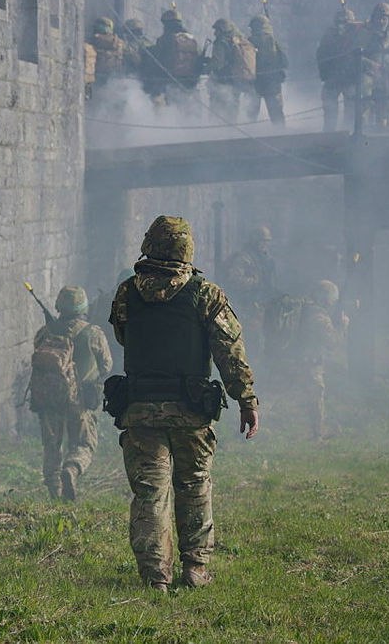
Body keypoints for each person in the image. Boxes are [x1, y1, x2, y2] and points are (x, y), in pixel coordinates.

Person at [108, 216, 260, 591]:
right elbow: (229, 351)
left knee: (149, 493)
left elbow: (124, 337)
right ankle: (194, 569)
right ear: (186, 249)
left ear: (149, 245)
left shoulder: (127, 292)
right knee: (193, 485)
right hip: (191, 410)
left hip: (141, 408)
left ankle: (155, 576)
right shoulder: (205, 293)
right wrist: (246, 398)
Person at [28, 287, 113, 501]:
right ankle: (72, 469)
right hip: (80, 401)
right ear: (83, 307)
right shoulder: (93, 333)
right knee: (84, 443)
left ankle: (55, 494)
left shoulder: (45, 333)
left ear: (59, 306)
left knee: (51, 446)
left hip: (49, 399)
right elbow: (107, 366)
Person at [265, 281, 346, 440]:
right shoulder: (320, 316)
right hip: (307, 365)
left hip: (286, 360)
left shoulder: (302, 308)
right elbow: (333, 343)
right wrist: (343, 326)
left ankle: (248, 426)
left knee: (270, 395)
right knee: (316, 398)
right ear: (326, 299)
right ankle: (318, 434)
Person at [221, 225, 279, 351]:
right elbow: (234, 280)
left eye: (267, 241)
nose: (265, 245)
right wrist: (257, 282)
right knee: (252, 342)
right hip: (247, 307)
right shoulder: (244, 258)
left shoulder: (264, 259)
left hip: (262, 306)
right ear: (255, 241)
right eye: (262, 241)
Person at [354, 2, 389, 129]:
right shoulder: (366, 32)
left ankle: (384, 125)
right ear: (374, 18)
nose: (381, 21)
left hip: (384, 72)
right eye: (379, 18)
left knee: (387, 97)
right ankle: (362, 127)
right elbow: (356, 55)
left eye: (384, 18)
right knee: (365, 95)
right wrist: (372, 65)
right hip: (367, 72)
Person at [142, 8, 202, 106]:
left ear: (167, 24)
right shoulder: (191, 38)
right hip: (190, 82)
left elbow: (156, 59)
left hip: (170, 80)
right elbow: (198, 56)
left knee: (172, 108)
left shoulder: (166, 39)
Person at [316, 6, 362, 131]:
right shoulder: (329, 36)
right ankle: (329, 134)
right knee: (329, 109)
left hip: (350, 78)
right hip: (333, 77)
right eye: (340, 23)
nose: (342, 25)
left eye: (346, 23)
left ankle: (348, 132)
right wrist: (325, 75)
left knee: (351, 110)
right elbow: (321, 55)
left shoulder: (358, 36)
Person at [204, 18, 255, 123]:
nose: (215, 32)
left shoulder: (221, 42)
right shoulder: (239, 40)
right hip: (236, 82)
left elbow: (218, 63)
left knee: (216, 113)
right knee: (232, 111)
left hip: (222, 82)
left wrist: (205, 68)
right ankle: (231, 134)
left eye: (217, 30)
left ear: (222, 30)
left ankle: (215, 135)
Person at [248, 15, 288, 126]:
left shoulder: (250, 41)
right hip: (272, 81)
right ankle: (281, 135)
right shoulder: (273, 41)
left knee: (251, 113)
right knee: (276, 113)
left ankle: (248, 135)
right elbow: (284, 61)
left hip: (255, 81)